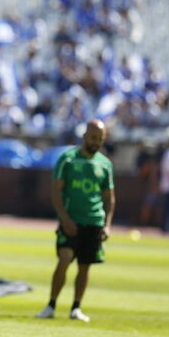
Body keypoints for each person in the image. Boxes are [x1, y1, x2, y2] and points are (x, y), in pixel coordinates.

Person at [36, 120, 115, 322]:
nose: (96, 142)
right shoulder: (68, 159)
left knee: (85, 265)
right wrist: (64, 218)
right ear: (85, 136)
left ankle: (76, 308)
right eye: (93, 137)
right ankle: (51, 305)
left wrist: (107, 224)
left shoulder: (105, 164)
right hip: (71, 220)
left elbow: (109, 198)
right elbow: (56, 191)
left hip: (94, 221)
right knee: (64, 259)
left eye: (100, 138)